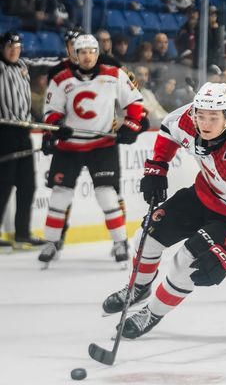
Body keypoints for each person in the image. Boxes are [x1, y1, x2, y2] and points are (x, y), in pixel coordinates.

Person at [102, 82, 226, 339]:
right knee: (146, 237)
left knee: (185, 263)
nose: (204, 123)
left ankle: (153, 312)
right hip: (204, 194)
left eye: (213, 118)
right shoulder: (188, 118)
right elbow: (168, 130)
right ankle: (137, 288)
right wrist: (157, 166)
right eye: (201, 115)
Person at [38, 34, 148, 266]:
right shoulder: (61, 79)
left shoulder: (113, 74)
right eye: (82, 52)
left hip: (102, 146)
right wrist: (56, 128)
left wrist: (131, 126)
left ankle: (120, 243)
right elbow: (51, 111)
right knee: (60, 194)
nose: (87, 56)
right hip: (69, 147)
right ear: (75, 55)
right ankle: (51, 242)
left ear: (97, 53)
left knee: (107, 194)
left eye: (91, 51)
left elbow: (135, 103)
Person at [0, 31, 46, 251]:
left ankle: (22, 234)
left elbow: (49, 62)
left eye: (17, 46)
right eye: (9, 46)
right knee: (3, 185)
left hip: (24, 132)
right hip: (4, 132)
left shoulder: (22, 66)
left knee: (27, 185)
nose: (13, 50)